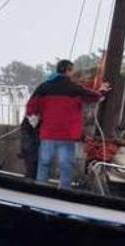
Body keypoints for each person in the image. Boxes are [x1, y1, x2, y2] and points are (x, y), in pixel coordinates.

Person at [24, 59, 109, 189]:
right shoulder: (74, 88)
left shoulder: (43, 87)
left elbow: (31, 107)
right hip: (67, 136)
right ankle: (64, 192)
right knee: (65, 165)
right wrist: (102, 90)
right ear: (69, 70)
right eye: (72, 70)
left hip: (48, 133)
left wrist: (35, 122)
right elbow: (94, 97)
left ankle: (40, 191)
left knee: (44, 164)